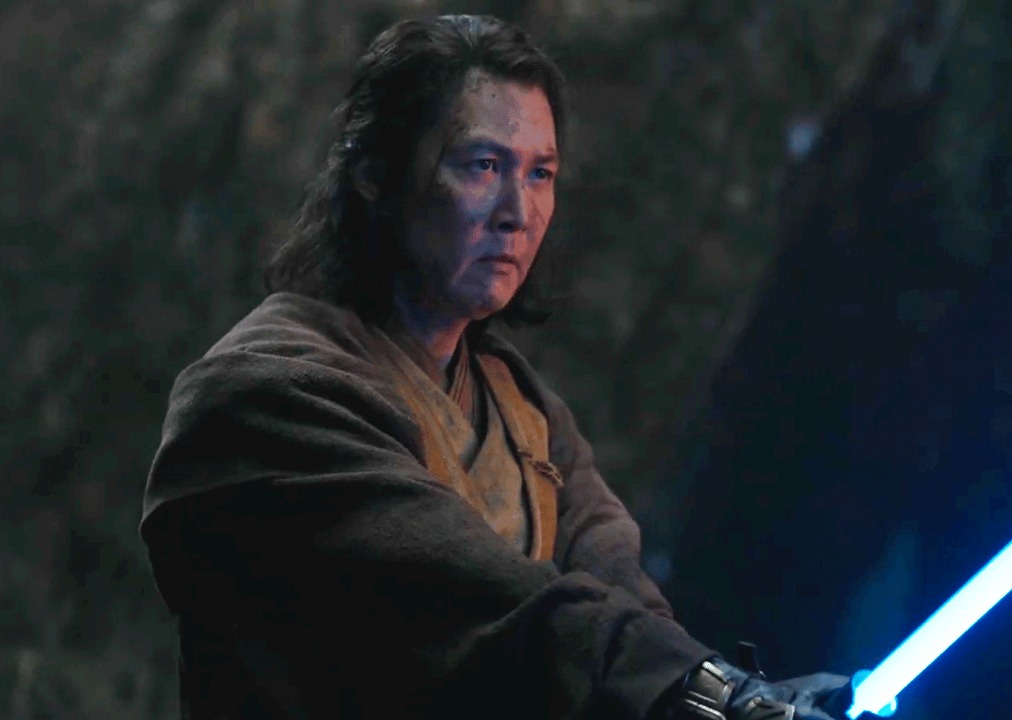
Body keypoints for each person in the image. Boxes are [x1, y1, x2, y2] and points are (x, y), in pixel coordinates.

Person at [140, 14, 853, 720]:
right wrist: (712, 695)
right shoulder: (262, 395)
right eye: (482, 165)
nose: (518, 211)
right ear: (377, 175)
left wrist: (726, 695)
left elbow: (622, 606)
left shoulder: (525, 413)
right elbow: (480, 600)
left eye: (540, 174)